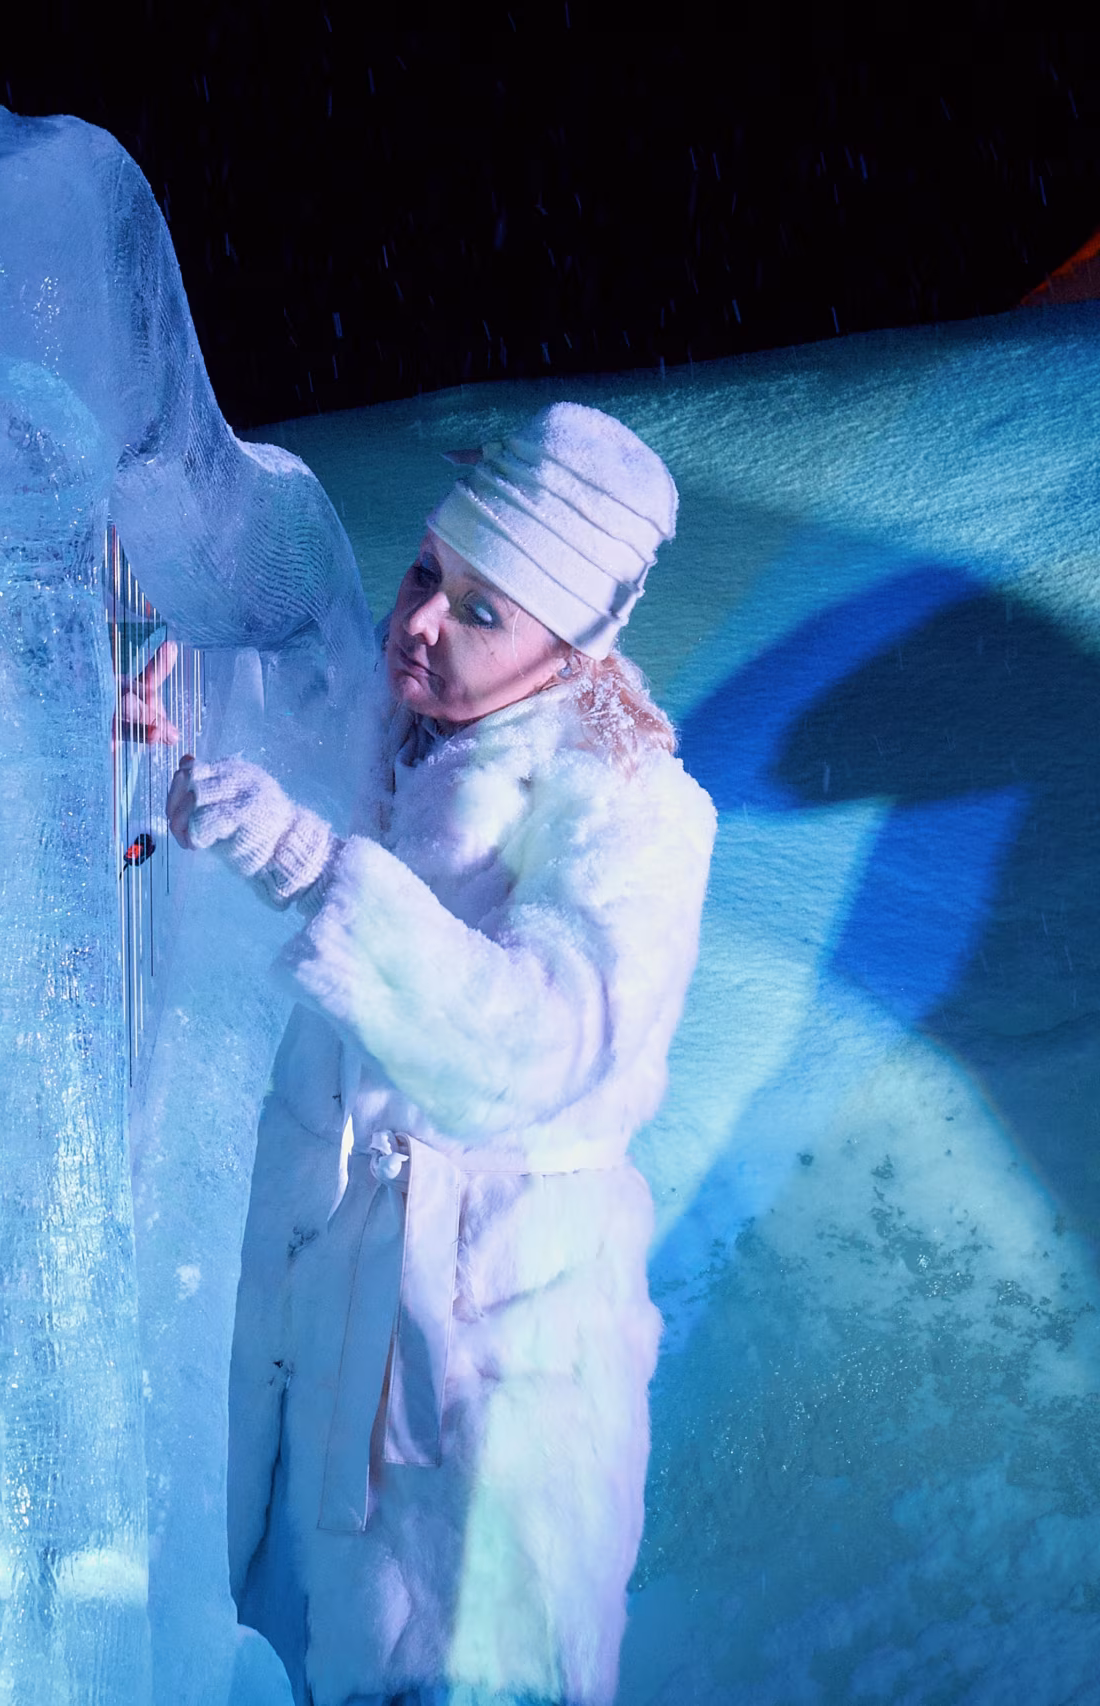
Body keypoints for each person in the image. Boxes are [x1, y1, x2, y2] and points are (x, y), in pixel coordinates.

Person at [166, 403, 718, 1706]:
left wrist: (317, 870)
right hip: (325, 1318)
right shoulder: (402, 729)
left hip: (490, 1340)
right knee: (293, 1645)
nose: (420, 621)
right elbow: (268, 707)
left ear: (571, 644)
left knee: (461, 1662)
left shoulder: (631, 805)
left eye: (481, 611)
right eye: (427, 571)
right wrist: (164, 710)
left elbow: (548, 1040)